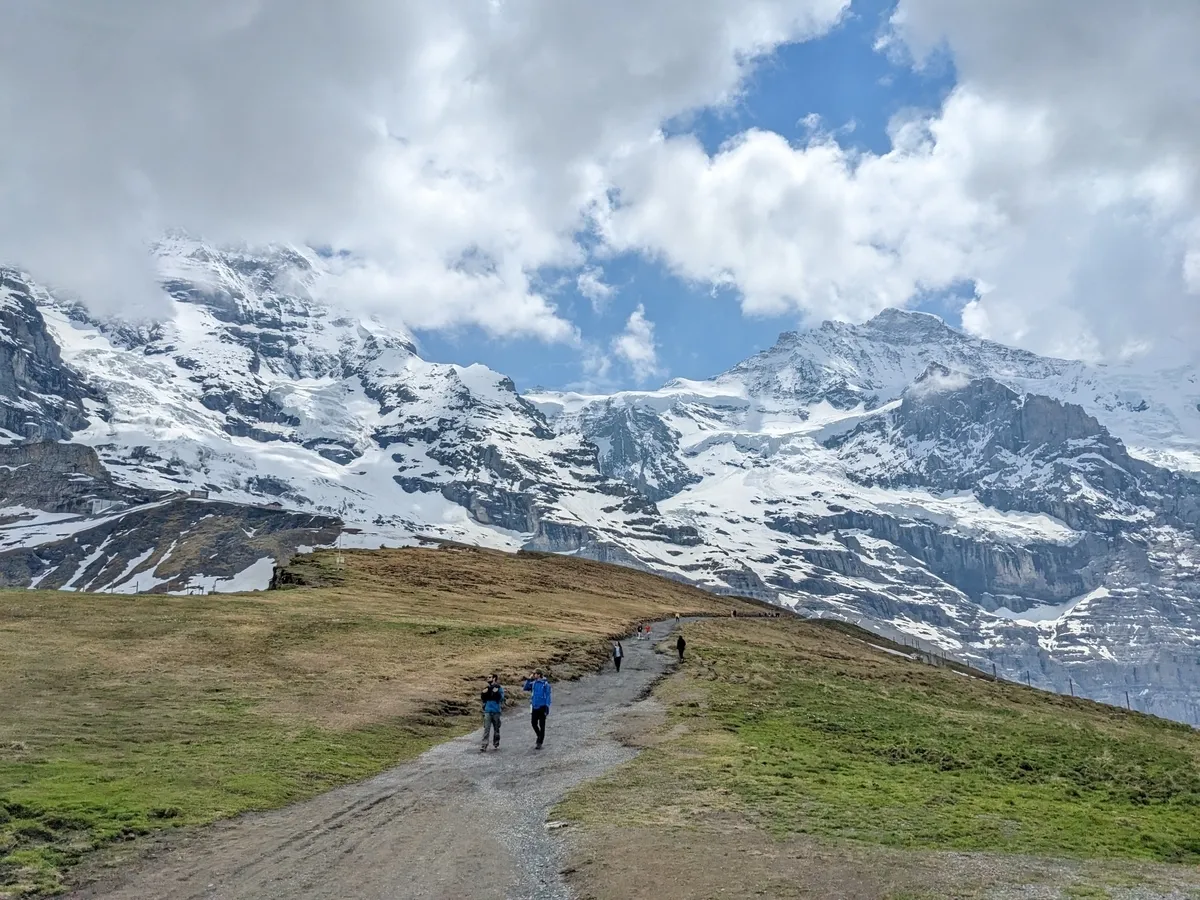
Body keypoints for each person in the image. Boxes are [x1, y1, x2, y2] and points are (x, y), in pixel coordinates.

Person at [522, 669, 552, 749]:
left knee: (542, 725)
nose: (533, 675)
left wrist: (547, 706)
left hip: (542, 706)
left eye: (534, 674)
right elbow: (525, 688)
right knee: (533, 723)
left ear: (539, 674)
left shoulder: (545, 684)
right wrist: (529, 679)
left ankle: (539, 742)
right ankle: (539, 736)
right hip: (534, 706)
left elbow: (548, 695)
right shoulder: (533, 683)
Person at [480, 673, 504, 751]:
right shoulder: (486, 688)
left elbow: (501, 699)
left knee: (496, 729)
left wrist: (496, 693)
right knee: (486, 729)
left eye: (489, 677)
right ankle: (484, 745)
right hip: (487, 711)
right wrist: (483, 694)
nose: (488, 678)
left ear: (494, 678)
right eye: (488, 677)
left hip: (496, 711)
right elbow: (483, 699)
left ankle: (496, 743)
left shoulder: (499, 688)